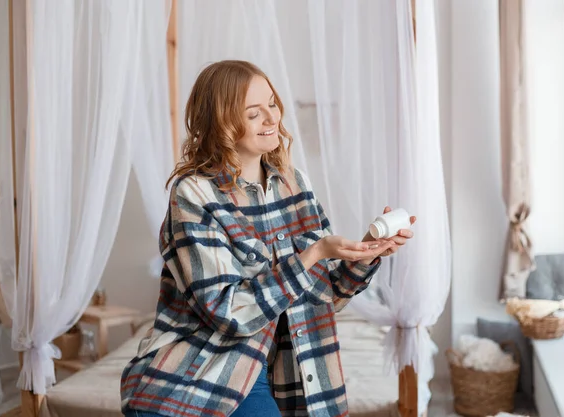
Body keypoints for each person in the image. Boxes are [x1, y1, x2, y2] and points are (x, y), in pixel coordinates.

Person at [120, 60, 416, 417]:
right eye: (253, 113)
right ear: (222, 123)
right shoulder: (194, 194)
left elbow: (325, 296)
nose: (272, 119)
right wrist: (312, 254)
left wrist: (367, 251)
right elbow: (227, 313)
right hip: (207, 371)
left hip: (287, 372)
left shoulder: (296, 184)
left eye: (272, 104)